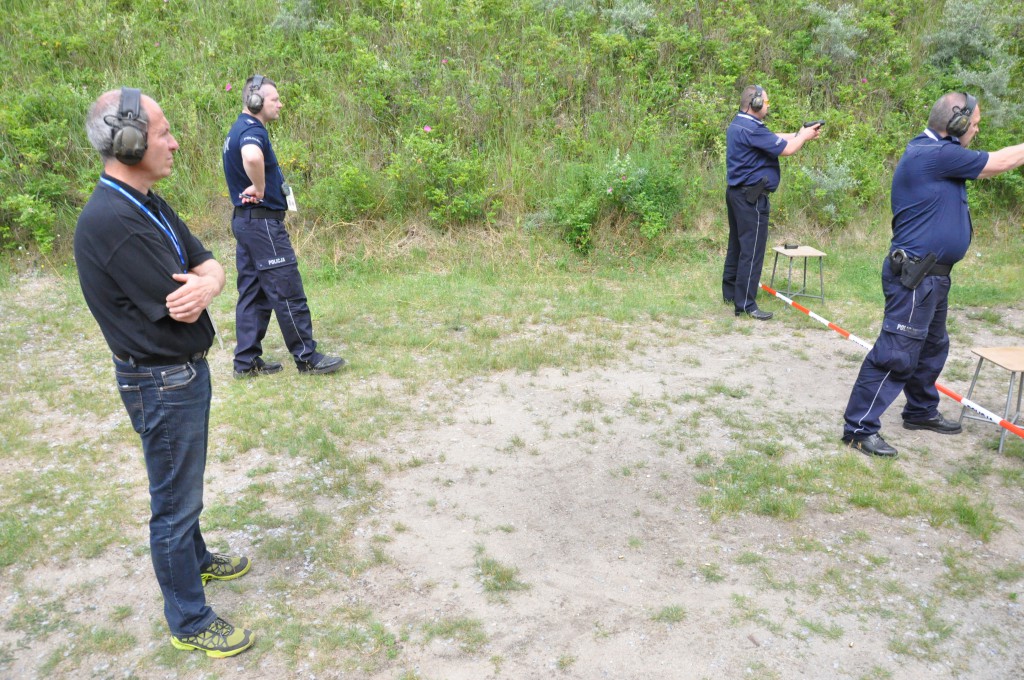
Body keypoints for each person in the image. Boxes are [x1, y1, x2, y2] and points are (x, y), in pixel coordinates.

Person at [75, 88, 254, 657]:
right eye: (162, 133)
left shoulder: (144, 201)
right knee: (175, 506)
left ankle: (195, 561)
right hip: (162, 382)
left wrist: (211, 280)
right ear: (127, 143)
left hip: (176, 375)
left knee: (184, 492)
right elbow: (186, 303)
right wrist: (206, 283)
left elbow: (208, 265)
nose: (174, 143)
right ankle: (190, 620)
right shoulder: (114, 221)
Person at [842, 92, 1024, 457]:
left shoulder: (936, 152)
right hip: (916, 276)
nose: (976, 130)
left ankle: (920, 410)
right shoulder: (935, 154)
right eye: (974, 124)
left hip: (932, 276)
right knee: (896, 352)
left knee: (932, 346)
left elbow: (988, 166)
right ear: (956, 124)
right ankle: (859, 428)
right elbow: (1002, 161)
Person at [222, 74, 345, 378]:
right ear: (255, 100)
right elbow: (252, 156)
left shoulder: (238, 128)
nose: (280, 104)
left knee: (254, 293)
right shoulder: (252, 130)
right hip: (263, 224)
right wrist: (260, 187)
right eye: (274, 99)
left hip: (247, 222)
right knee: (286, 288)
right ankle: (307, 358)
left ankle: (246, 363)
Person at [723, 84, 822, 320]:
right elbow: (786, 150)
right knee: (752, 251)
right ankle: (746, 304)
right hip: (752, 198)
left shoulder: (740, 123)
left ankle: (731, 293)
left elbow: (774, 138)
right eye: (766, 102)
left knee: (737, 246)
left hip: (737, 194)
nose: (767, 106)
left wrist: (799, 133)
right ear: (755, 103)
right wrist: (802, 137)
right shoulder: (752, 128)